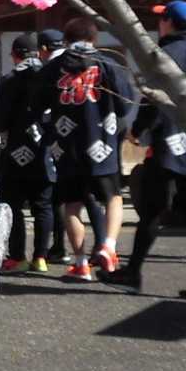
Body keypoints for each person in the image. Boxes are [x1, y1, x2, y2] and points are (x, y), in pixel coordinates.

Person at [109, 0, 186, 297]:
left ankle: (133, 273)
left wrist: (137, 130)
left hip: (171, 136)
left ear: (168, 22)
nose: (159, 24)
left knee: (155, 206)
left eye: (162, 18)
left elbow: (155, 98)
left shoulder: (168, 54)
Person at [35, 16, 133, 283]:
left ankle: (80, 263)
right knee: (113, 197)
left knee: (72, 206)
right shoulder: (107, 64)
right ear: (93, 38)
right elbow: (125, 106)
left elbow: (37, 105)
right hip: (102, 145)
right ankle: (108, 247)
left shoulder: (53, 68)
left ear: (66, 39)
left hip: (66, 147)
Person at [0, 33, 54, 274]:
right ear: (37, 52)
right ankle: (41, 257)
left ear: (15, 55)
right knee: (43, 205)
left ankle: (18, 257)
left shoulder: (10, 80)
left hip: (15, 152)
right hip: (44, 149)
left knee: (13, 205)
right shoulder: (49, 77)